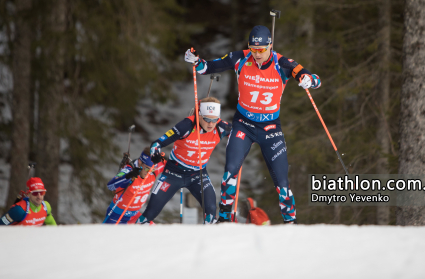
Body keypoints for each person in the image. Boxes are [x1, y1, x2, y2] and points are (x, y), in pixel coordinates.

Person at [184, 25, 321, 223]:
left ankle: (291, 223)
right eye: (253, 49)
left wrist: (308, 79)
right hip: (244, 125)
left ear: (270, 46)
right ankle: (223, 219)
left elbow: (313, 78)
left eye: (262, 50)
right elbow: (208, 67)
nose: (257, 54)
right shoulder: (241, 57)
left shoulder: (282, 63)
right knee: (230, 171)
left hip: (270, 128)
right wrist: (196, 61)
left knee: (282, 182)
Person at [138, 96, 232, 224]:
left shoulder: (221, 128)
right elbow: (157, 143)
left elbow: (244, 134)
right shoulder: (186, 126)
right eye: (206, 119)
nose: (210, 124)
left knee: (211, 211)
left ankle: (209, 242)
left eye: (214, 120)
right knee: (149, 213)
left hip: (198, 174)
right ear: (199, 115)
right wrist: (155, 153)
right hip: (173, 173)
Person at [103, 148, 165, 224]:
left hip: (135, 216)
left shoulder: (155, 168)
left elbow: (171, 164)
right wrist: (128, 176)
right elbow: (110, 186)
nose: (148, 173)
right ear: (140, 162)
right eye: (147, 169)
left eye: (151, 170)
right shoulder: (128, 170)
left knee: (155, 232)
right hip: (117, 217)